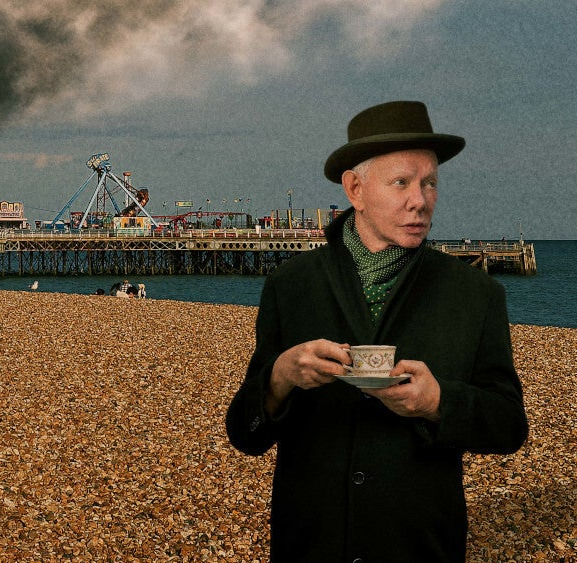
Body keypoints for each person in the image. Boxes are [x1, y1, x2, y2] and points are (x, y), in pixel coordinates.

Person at [225, 101, 528, 562]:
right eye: (401, 182)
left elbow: (509, 426)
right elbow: (244, 434)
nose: (420, 200)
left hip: (420, 547)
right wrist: (280, 377)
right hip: (309, 545)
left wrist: (437, 403)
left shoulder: (477, 293)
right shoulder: (291, 285)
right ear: (355, 189)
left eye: (429, 183)